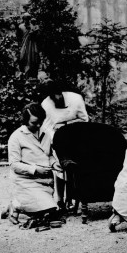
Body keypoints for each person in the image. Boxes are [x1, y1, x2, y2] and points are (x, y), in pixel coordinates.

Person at [7, 103, 63, 230]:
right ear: (25, 120)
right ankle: (15, 205)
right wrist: (35, 169)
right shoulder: (16, 137)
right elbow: (14, 165)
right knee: (46, 210)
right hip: (26, 181)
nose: (38, 126)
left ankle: (20, 205)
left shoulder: (46, 134)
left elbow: (49, 155)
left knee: (51, 210)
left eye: (41, 122)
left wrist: (54, 164)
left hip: (45, 182)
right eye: (34, 123)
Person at [40, 80, 89, 212]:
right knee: (59, 166)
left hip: (77, 137)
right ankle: (60, 200)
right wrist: (56, 134)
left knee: (76, 166)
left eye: (57, 94)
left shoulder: (76, 98)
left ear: (61, 92)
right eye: (52, 96)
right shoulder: (46, 104)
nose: (56, 99)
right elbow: (46, 127)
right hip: (57, 139)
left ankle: (74, 199)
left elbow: (85, 120)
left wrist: (68, 125)